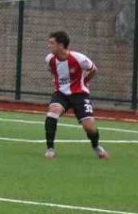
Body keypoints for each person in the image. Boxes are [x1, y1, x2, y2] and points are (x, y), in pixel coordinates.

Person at [43, 31, 108, 160]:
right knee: (52, 112)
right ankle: (50, 149)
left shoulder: (79, 59)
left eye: (51, 43)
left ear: (61, 45)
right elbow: (52, 71)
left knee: (89, 127)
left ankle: (96, 146)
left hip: (80, 94)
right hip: (61, 93)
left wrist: (84, 81)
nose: (48, 46)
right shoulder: (50, 59)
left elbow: (93, 69)